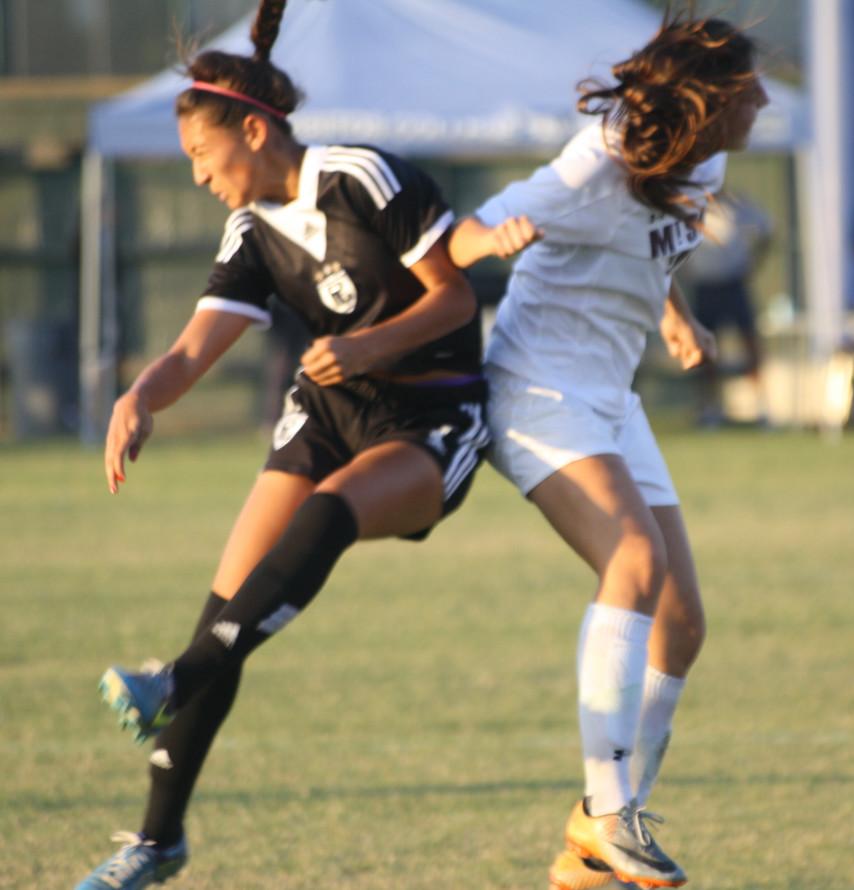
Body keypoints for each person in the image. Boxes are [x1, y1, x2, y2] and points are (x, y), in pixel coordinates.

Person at [74, 2, 490, 887]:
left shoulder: (360, 178)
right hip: (330, 413)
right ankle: (155, 843)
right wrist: (140, 396)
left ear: (254, 131)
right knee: (225, 608)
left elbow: (457, 299)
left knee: (328, 517)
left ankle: (178, 679)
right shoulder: (250, 230)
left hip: (430, 416)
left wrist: (368, 347)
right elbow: (193, 348)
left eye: (200, 156)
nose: (196, 177)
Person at [448, 13, 767, 890]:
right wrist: (491, 242)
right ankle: (604, 814)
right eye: (749, 91)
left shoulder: (706, 157)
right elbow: (463, 235)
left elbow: (651, 247)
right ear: (707, 100)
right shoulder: (597, 161)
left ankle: (597, 848)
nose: (765, 102)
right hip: (536, 387)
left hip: (610, 395)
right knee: (633, 555)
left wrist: (673, 314)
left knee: (684, 624)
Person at [676, 191, 772, 426]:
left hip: (733, 283)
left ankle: (760, 406)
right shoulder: (687, 206)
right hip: (705, 287)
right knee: (702, 349)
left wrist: (753, 261)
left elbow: (766, 230)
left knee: (750, 344)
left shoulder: (737, 204)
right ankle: (710, 408)